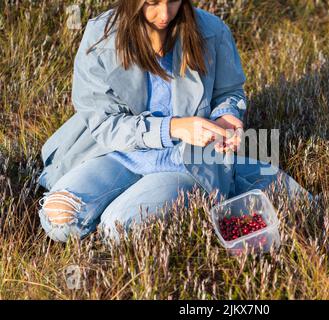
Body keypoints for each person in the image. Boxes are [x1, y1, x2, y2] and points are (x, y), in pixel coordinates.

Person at [37, 0, 311, 244]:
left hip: (183, 161)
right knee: (59, 218)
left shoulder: (212, 31)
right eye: (152, 3)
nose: (165, 14)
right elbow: (103, 122)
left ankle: (148, 209)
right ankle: (147, 207)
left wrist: (226, 117)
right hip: (116, 154)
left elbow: (230, 92)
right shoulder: (101, 36)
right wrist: (173, 127)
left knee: (118, 227)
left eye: (174, 1)